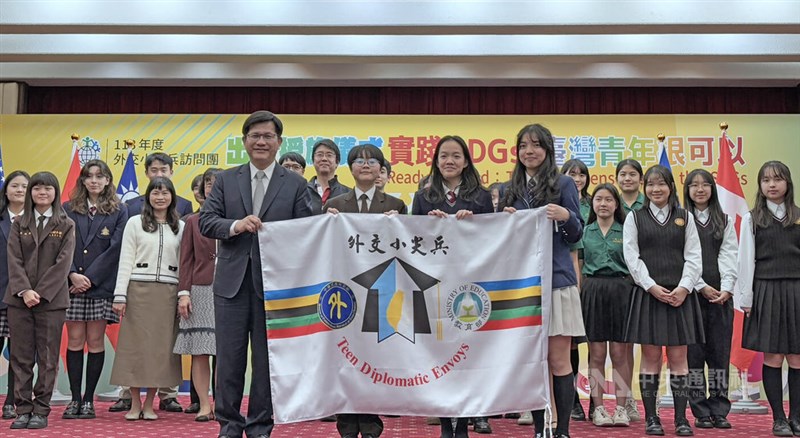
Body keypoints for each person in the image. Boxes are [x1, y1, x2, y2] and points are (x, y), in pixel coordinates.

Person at [200, 110, 313, 438]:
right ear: (245, 141)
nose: (261, 141)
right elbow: (207, 221)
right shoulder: (225, 179)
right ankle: (229, 425)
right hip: (231, 287)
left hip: (275, 288)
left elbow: (305, 231)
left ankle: (261, 426)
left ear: (279, 143)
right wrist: (236, 225)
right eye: (255, 136)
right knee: (229, 362)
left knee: (267, 364)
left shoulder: (295, 184)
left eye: (268, 136)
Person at [499, 123, 584, 438]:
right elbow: (500, 240)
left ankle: (562, 429)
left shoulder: (563, 183)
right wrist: (505, 222)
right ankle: (540, 428)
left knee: (559, 359)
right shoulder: (513, 187)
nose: (528, 151)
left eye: (535, 145)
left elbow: (576, 233)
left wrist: (565, 216)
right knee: (534, 360)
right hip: (523, 285)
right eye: (523, 146)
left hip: (557, 280)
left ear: (548, 150)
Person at [411, 135, 493, 438]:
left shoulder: (482, 196)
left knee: (471, 352)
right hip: (436, 285)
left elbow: (492, 237)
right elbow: (411, 241)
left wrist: (474, 222)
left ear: (466, 161)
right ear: (435, 161)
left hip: (471, 286)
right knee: (442, 354)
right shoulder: (423, 196)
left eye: (456, 156)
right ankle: (446, 422)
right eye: (444, 155)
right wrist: (428, 226)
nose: (449, 161)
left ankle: (473, 416)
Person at [324, 143, 406, 438]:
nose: (366, 164)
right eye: (359, 160)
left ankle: (371, 423)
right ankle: (346, 423)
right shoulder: (335, 205)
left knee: (373, 358)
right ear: (350, 168)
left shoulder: (395, 206)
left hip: (381, 292)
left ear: (381, 169)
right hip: (344, 294)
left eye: (372, 161)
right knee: (345, 359)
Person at [623, 165, 704, 437]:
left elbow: (694, 256)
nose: (656, 189)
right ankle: (652, 418)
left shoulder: (685, 217)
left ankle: (681, 419)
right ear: (645, 189)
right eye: (651, 184)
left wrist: (683, 288)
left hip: (680, 297)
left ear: (671, 186)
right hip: (650, 295)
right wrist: (651, 286)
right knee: (651, 357)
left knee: (680, 358)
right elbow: (631, 257)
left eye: (662, 184)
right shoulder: (635, 217)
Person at [109, 151, 191, 413]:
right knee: (135, 349)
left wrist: (182, 294)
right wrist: (120, 295)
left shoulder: (181, 226)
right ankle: (133, 403)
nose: (160, 196)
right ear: (148, 195)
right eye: (155, 192)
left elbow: (185, 264)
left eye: (165, 192)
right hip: (138, 292)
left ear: (172, 197)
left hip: (167, 293)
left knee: (160, 351)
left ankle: (149, 404)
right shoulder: (134, 222)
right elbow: (125, 260)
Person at [4, 171, 76, 430]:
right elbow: (14, 259)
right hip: (19, 300)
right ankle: (22, 409)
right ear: (31, 193)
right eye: (37, 188)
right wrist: (25, 290)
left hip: (52, 302)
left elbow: (63, 264)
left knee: (46, 357)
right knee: (21, 357)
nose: (42, 193)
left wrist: (41, 292)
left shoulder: (66, 224)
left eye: (47, 188)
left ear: (55, 193)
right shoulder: (19, 223)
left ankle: (41, 410)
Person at [737, 161, 800, 437]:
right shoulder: (753, 218)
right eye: (766, 180)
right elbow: (745, 260)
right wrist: (746, 297)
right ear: (760, 186)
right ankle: (779, 418)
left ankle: (797, 416)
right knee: (773, 356)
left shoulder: (799, 215)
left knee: (797, 356)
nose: (771, 185)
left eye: (777, 179)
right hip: (766, 289)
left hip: (797, 290)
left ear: (788, 183)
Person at [62, 160, 128, 420]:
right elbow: (60, 246)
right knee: (76, 341)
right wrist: (72, 276)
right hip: (71, 285)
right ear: (82, 181)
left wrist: (88, 278)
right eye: (89, 176)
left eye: (100, 176)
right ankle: (74, 399)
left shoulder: (119, 210)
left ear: (108, 180)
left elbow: (117, 247)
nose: (94, 181)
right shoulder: (68, 208)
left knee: (95, 341)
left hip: (100, 286)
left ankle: (89, 400)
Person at [682, 169, 738, 430]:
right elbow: (683, 259)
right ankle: (700, 410)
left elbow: (729, 255)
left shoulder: (724, 220)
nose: (700, 189)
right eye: (694, 185)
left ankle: (719, 408)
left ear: (713, 190)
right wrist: (701, 286)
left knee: (719, 355)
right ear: (687, 191)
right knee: (694, 357)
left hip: (720, 298)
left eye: (705, 185)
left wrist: (726, 288)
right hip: (691, 297)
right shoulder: (680, 220)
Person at [580, 183, 633, 427]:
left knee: (620, 353)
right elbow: (578, 266)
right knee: (597, 353)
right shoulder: (584, 231)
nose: (603, 204)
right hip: (593, 291)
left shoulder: (626, 230)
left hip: (621, 291)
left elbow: (634, 264)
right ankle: (599, 408)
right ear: (592, 204)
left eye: (609, 199)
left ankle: (621, 408)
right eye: (599, 199)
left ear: (616, 204)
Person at [174, 167, 222, 422]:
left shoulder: (240, 218)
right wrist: (184, 293)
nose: (212, 188)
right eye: (208, 184)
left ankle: (223, 404)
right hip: (200, 290)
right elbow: (186, 261)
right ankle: (204, 404)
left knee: (226, 352)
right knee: (200, 351)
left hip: (230, 291)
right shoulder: (192, 221)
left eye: (217, 183)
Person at [613, 158, 644, 422]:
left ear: (640, 179)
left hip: (643, 283)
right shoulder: (610, 203)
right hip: (616, 280)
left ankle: (630, 396)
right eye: (622, 174)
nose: (627, 179)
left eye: (632, 174)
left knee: (632, 345)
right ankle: (623, 397)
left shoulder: (652, 205)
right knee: (617, 349)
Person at [560, 158, 591, 422]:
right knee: (565, 345)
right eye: (573, 174)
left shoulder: (595, 204)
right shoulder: (556, 202)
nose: (577, 179)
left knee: (587, 346)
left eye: (582, 174)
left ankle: (588, 401)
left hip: (589, 283)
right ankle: (569, 400)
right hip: (568, 277)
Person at [0, 170, 29, 420]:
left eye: (24, 186)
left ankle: (12, 400)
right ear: (6, 190)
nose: (20, 190)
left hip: (23, 296)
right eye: (15, 186)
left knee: (17, 353)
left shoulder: (35, 220)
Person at [307, 139, 351, 214]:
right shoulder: (301, 192)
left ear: (337, 162)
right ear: (313, 161)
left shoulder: (348, 194)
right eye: (319, 155)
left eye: (329, 155)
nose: (324, 159)